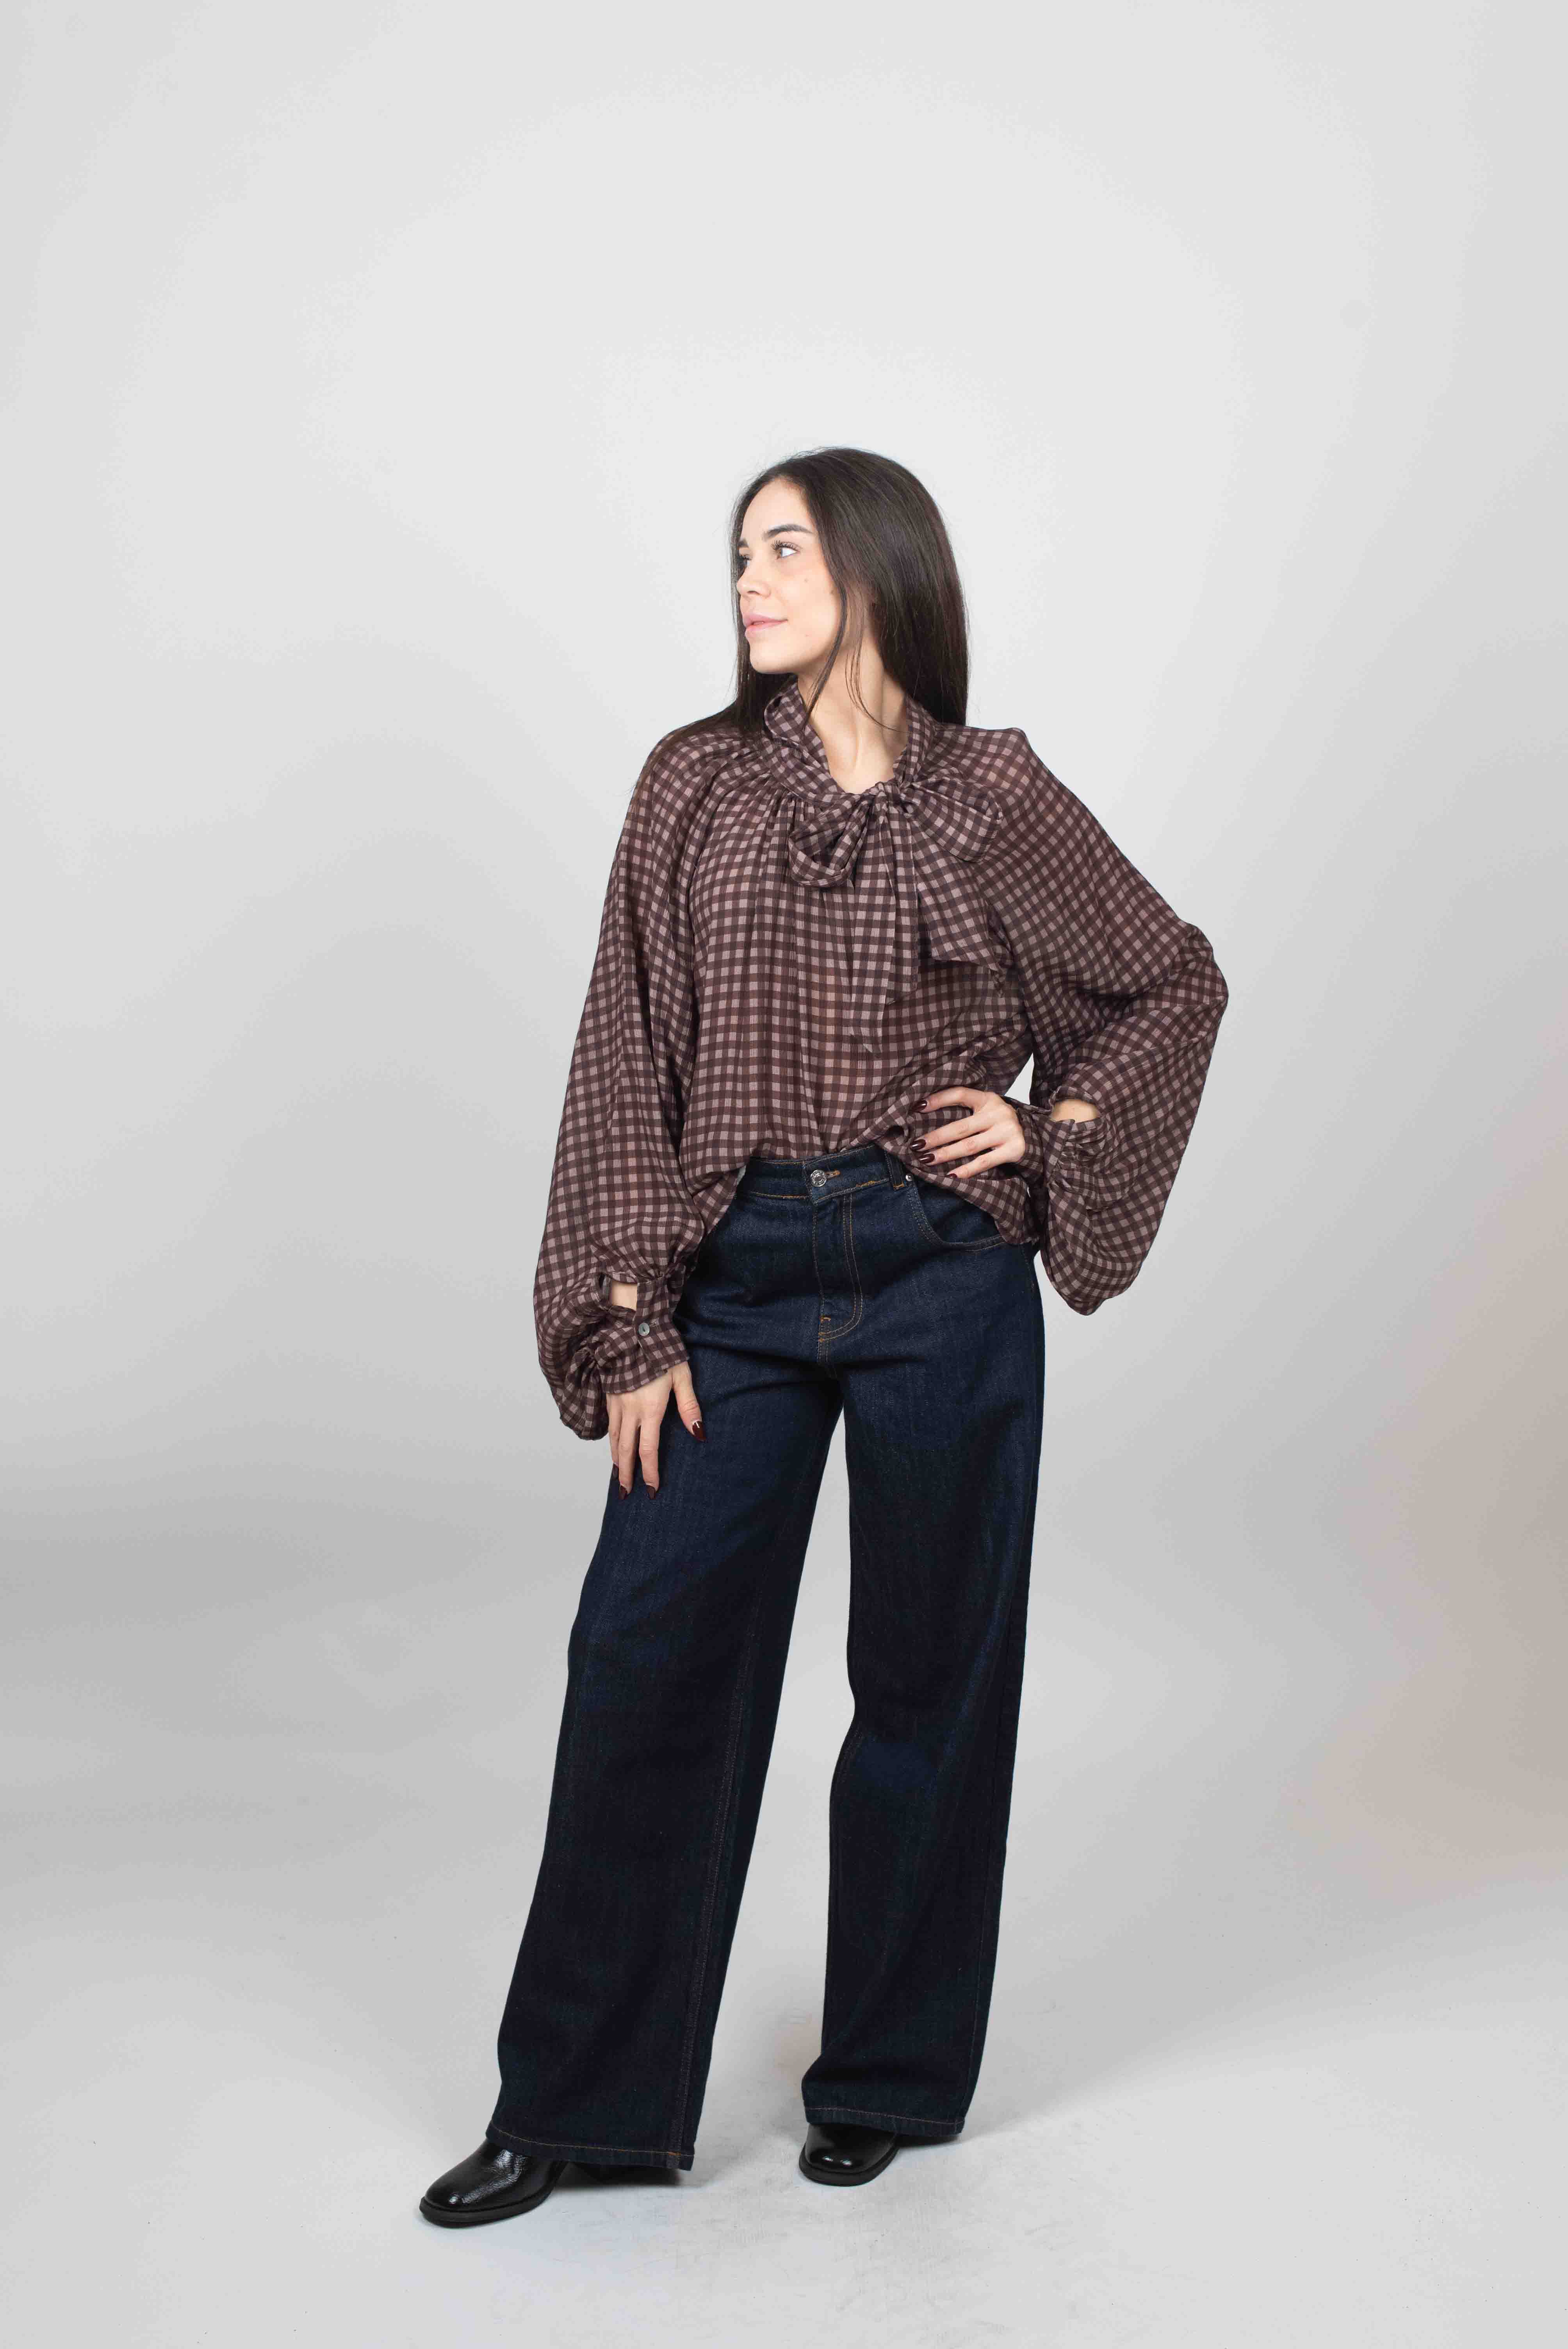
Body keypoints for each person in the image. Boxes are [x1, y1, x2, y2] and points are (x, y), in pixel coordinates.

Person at [419, 446, 1229, 2225]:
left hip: (940, 1267)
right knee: (643, 1663)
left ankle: (887, 2077)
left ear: (876, 567)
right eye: (737, 554)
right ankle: (579, 2104)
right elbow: (626, 1050)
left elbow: (1169, 980)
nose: (748, 580)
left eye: (783, 548)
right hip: (735, 1278)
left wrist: (1054, 1129)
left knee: (932, 1677)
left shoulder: (992, 795)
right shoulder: (693, 784)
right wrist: (627, 1313)